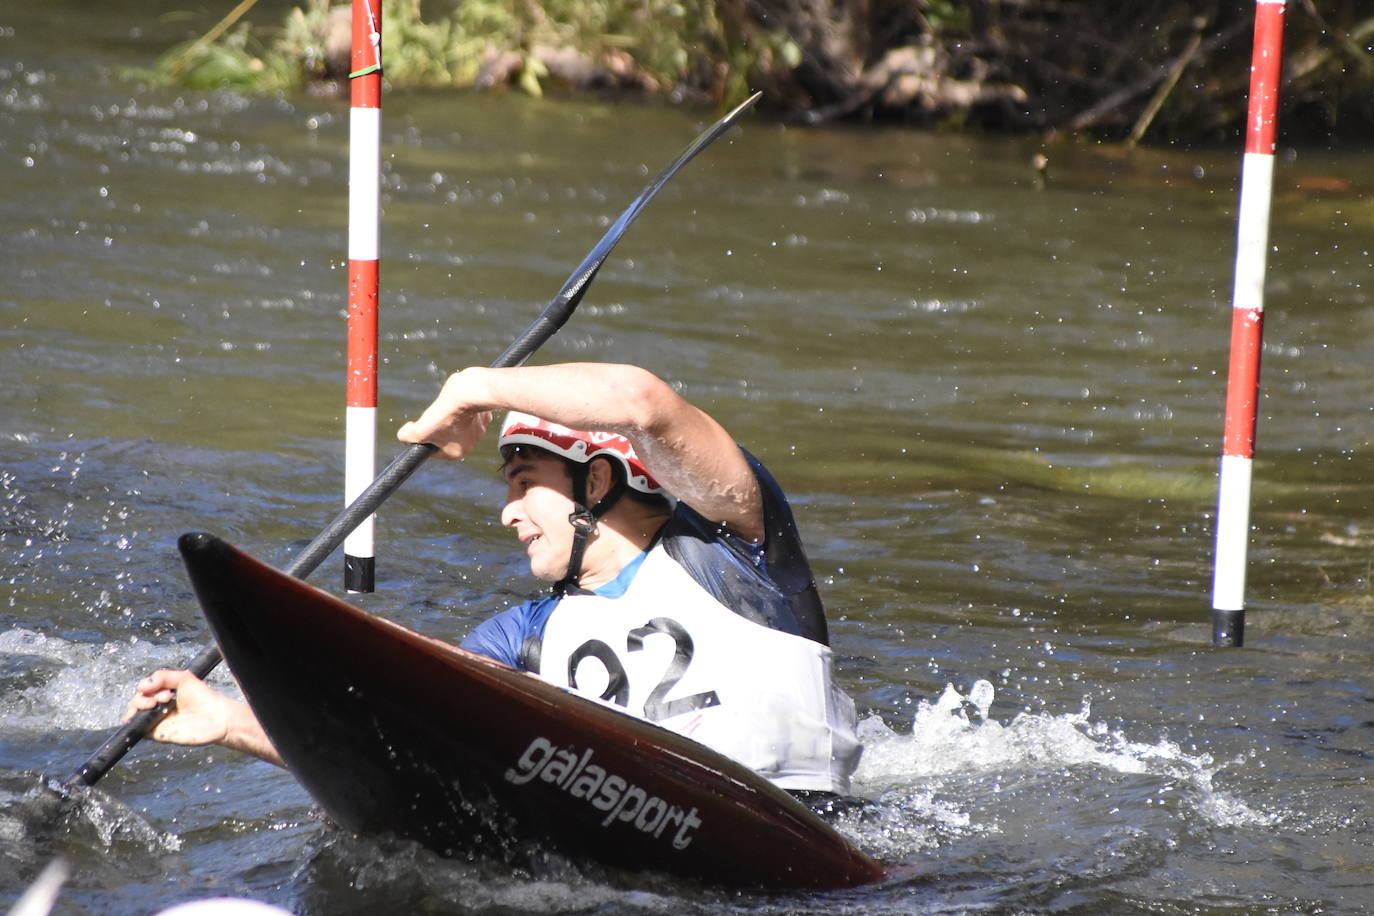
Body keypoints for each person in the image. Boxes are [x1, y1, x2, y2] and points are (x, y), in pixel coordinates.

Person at [126, 363, 861, 795]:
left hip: (813, 831)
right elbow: (408, 733)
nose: (507, 514)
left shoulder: (739, 548)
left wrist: (477, 387)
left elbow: (643, 402)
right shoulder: (522, 636)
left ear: (598, 480)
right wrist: (232, 720)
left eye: (522, 482)